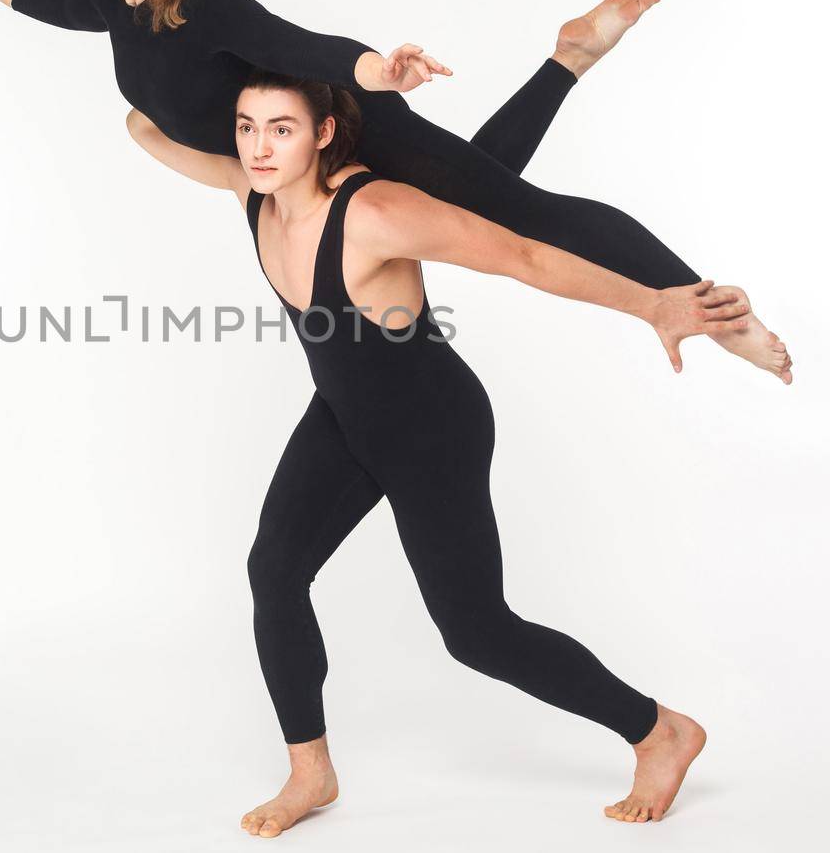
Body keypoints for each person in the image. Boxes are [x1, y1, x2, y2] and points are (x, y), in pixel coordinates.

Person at [0, 0, 793, 382]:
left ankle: (711, 310)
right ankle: (566, 60)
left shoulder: (204, 1)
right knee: (481, 192)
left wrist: (376, 67)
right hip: (298, 174)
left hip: (350, 126)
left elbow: (299, 48)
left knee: (519, 213)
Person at [124, 70, 755, 834]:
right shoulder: (250, 187)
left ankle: (661, 730)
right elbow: (142, 125)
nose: (259, 146)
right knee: (274, 571)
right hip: (346, 417)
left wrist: (655, 303)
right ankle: (310, 772)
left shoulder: (375, 212)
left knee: (477, 632)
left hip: (433, 425)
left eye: (282, 127)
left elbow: (522, 250)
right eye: (247, 125)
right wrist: (173, 57)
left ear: (323, 132)